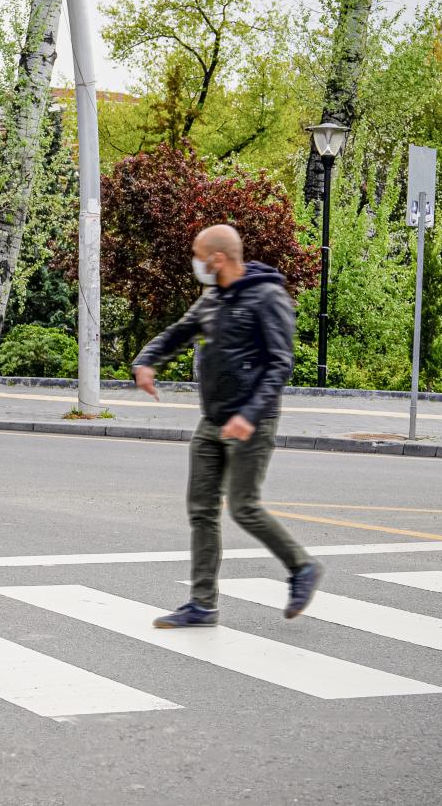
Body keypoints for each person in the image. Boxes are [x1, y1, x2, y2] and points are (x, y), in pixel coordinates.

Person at [131, 224, 321, 628]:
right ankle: (202, 604)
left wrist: (248, 416)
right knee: (201, 510)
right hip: (213, 420)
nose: (195, 262)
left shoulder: (268, 296)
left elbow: (279, 364)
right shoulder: (213, 297)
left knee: (243, 506)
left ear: (217, 258)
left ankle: (301, 567)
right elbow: (178, 333)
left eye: (198, 254)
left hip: (251, 421)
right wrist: (146, 360)